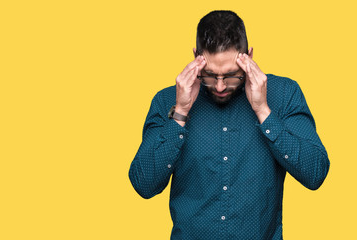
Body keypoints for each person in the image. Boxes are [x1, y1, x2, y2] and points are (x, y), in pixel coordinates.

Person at [128, 10, 330, 239]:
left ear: (249, 57)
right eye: (210, 75)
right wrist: (180, 114)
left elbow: (315, 173)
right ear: (196, 57)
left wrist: (264, 111)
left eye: (232, 75)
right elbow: (143, 184)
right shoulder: (166, 101)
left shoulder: (283, 94)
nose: (221, 86)